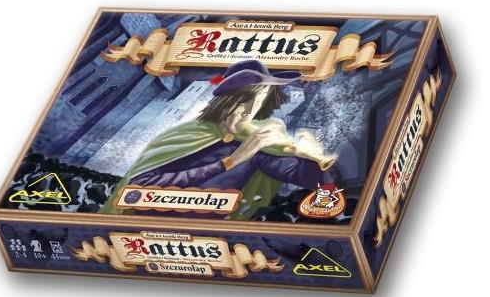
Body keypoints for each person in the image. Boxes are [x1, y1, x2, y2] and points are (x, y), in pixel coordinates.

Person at [101, 60, 337, 219]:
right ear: (225, 101)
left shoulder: (258, 140)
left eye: (258, 101)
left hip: (213, 233)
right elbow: (137, 189)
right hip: (152, 228)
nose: (249, 111)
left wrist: (312, 160)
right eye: (244, 101)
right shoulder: (185, 136)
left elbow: (307, 179)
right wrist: (229, 162)